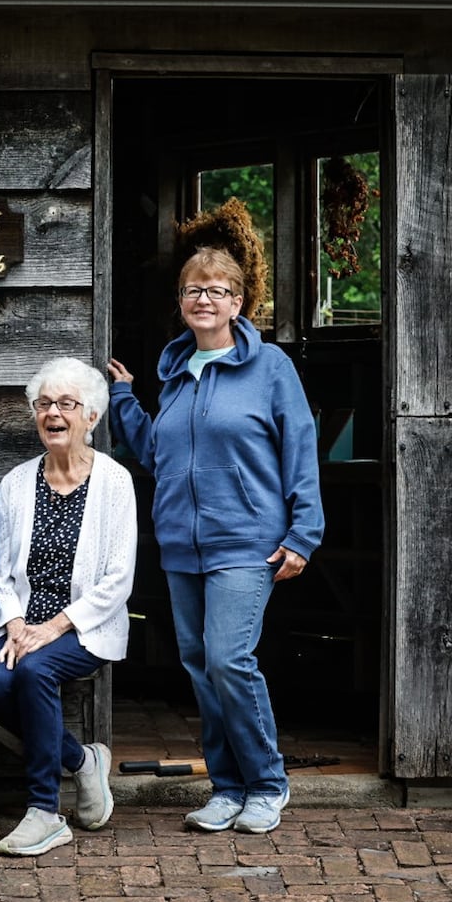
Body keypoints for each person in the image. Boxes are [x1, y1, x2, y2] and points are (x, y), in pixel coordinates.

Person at [108, 244, 323, 835]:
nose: (204, 299)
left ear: (238, 302)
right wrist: (125, 401)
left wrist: (304, 532)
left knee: (230, 659)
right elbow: (157, 453)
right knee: (201, 666)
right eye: (193, 290)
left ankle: (267, 783)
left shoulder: (270, 367)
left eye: (217, 290)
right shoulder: (175, 372)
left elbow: (299, 449)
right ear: (180, 303)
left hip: (247, 540)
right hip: (183, 543)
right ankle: (226, 788)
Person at [0, 357, 136, 857]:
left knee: (32, 674)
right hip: (24, 624)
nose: (53, 413)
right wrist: (16, 623)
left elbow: (118, 579)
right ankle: (83, 760)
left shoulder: (114, 482)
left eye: (66, 404)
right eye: (44, 404)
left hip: (85, 625)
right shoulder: (18, 483)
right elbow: (1, 572)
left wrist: (53, 628)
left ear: (91, 416)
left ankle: (44, 811)